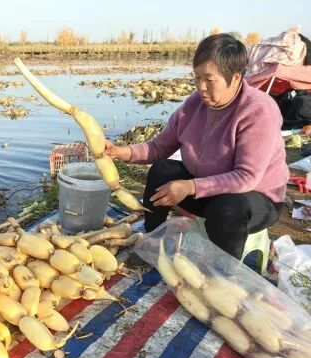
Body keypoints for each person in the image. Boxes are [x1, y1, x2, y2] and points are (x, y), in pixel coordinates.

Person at [104, 34, 289, 263]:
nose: (201, 87)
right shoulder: (194, 105)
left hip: (253, 200)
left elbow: (247, 177)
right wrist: (121, 152)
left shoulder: (258, 111)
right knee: (162, 170)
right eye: (197, 77)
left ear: (235, 78)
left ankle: (221, 273)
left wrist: (190, 186)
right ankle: (152, 245)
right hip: (205, 191)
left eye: (209, 80)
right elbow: (159, 147)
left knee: (226, 207)